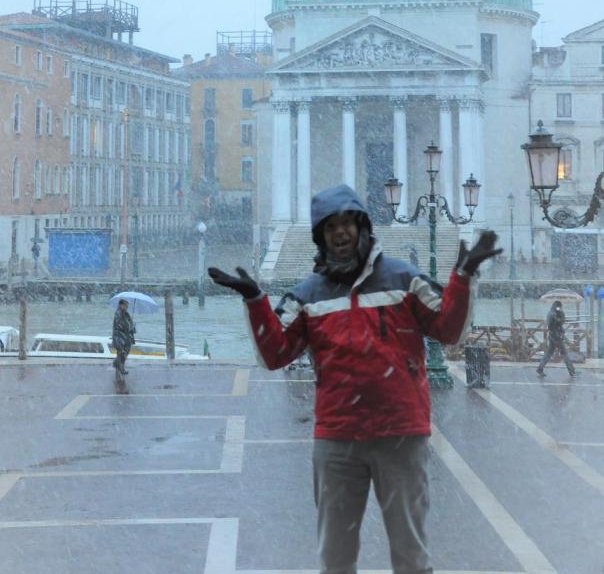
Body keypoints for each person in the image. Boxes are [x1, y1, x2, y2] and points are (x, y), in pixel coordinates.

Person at [209, 184, 501, 574]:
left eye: (348, 223)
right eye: (331, 227)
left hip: (400, 435)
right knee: (336, 556)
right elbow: (274, 355)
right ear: (321, 238)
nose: (341, 233)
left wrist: (463, 277)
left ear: (363, 229)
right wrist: (255, 301)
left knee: (411, 553)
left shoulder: (404, 280)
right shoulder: (306, 296)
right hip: (337, 438)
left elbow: (449, 331)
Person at [537, 299, 576, 377]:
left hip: (552, 335)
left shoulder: (550, 313)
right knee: (564, 353)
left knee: (549, 353)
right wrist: (561, 315)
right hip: (557, 336)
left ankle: (540, 369)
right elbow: (560, 322)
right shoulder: (555, 314)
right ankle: (572, 371)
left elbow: (553, 324)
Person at [112, 299, 135, 375]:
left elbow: (129, 323)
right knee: (121, 353)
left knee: (125, 352)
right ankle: (121, 368)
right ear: (121, 305)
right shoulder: (118, 314)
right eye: (126, 305)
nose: (127, 307)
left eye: (127, 305)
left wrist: (131, 324)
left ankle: (117, 364)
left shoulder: (126, 314)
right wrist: (128, 326)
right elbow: (120, 325)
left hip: (126, 337)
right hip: (120, 337)